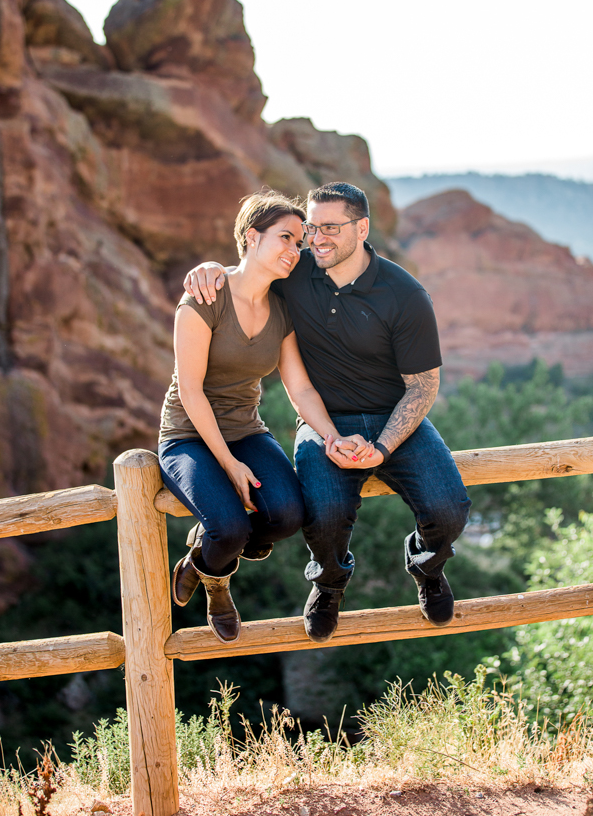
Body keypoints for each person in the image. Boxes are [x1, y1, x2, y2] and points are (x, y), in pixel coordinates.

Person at [183, 181, 471, 643]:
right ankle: (330, 586)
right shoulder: (296, 271)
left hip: (395, 418)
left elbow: (423, 386)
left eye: (330, 228)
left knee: (449, 509)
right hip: (322, 421)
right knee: (325, 513)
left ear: (362, 228)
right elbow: (250, 262)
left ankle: (428, 567)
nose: (316, 239)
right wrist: (210, 268)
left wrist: (381, 447)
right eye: (311, 228)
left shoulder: (405, 294)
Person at [160, 191, 366, 643]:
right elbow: (191, 392)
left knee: (288, 515)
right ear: (252, 238)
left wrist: (331, 436)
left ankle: (202, 557)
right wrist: (230, 465)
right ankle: (217, 583)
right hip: (188, 435)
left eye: (301, 243)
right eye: (286, 238)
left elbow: (301, 388)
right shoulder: (204, 298)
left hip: (246, 430)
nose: (295, 251)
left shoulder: (281, 310)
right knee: (230, 526)